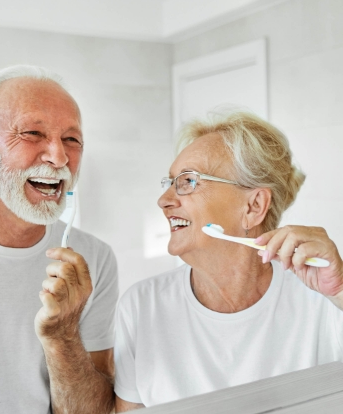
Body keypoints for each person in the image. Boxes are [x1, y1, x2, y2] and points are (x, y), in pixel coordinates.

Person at [114, 111, 343, 412]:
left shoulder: (324, 303)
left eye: (188, 181)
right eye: (170, 182)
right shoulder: (141, 306)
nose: (164, 200)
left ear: (254, 206)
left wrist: (340, 291)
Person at [0, 65, 118, 413]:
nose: (59, 157)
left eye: (71, 139)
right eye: (32, 133)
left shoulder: (94, 259)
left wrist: (63, 335)